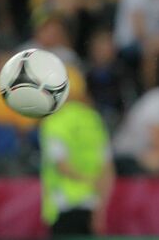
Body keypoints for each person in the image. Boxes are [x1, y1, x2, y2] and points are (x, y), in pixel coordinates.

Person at [39, 65, 115, 237]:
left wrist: (86, 180)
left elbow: (61, 165)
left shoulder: (54, 121)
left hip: (63, 205)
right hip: (92, 204)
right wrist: (101, 210)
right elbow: (108, 169)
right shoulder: (93, 119)